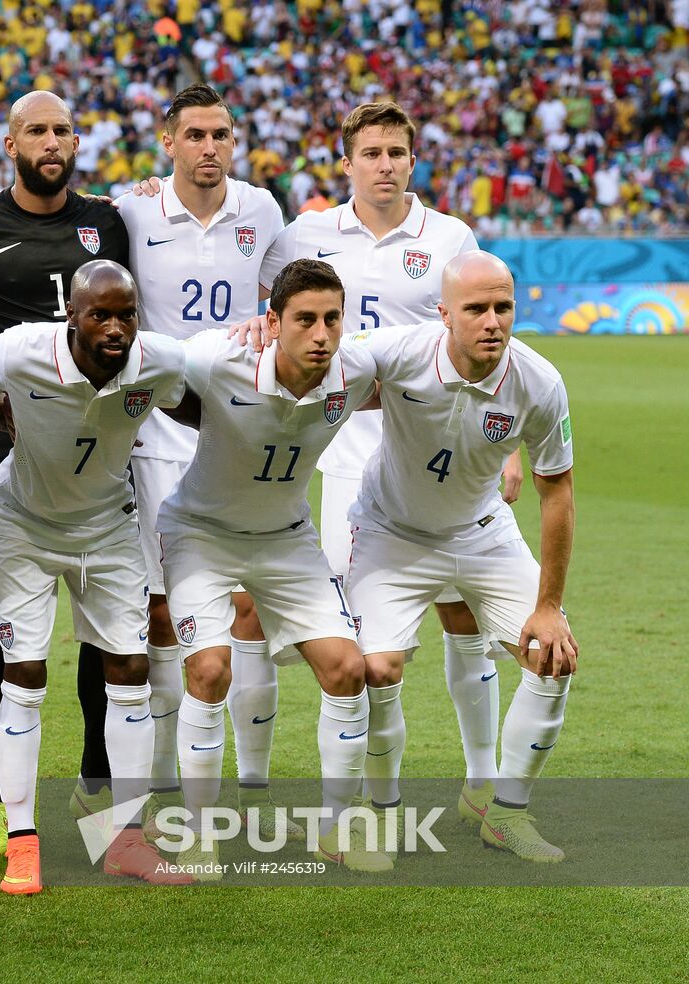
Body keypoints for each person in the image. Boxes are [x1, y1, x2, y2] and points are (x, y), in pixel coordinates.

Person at [255, 102, 520, 819]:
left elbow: (490, 348)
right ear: (346, 163)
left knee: (466, 625)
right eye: (370, 152)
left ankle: (483, 784)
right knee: (371, 653)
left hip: (448, 457)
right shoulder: (307, 234)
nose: (384, 164)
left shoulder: (449, 237)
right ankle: (376, 801)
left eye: (397, 152)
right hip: (345, 461)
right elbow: (263, 303)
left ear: (413, 159)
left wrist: (507, 447)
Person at [0, 90, 131, 854]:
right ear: (9, 142)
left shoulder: (108, 221)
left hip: (101, 442)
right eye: (36, 131)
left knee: (100, 612)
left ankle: (95, 781)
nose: (51, 142)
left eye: (62, 130)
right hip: (8, 443)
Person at [342, 251, 577, 862]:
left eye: (503, 307)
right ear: (444, 313)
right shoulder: (400, 351)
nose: (492, 321)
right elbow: (330, 352)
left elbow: (558, 493)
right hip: (391, 531)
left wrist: (549, 606)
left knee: (550, 656)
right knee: (376, 670)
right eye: (476, 308)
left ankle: (507, 812)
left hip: (482, 532)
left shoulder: (540, 383)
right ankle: (382, 810)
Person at [158, 259, 390, 874]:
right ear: (272, 322)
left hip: (287, 540)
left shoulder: (356, 368)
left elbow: (425, 357)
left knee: (347, 669)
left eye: (332, 319)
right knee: (208, 671)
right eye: (305, 320)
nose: (321, 334)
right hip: (200, 535)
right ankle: (199, 834)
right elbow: (145, 363)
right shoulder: (216, 358)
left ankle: (338, 830)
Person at [0, 260, 193, 894]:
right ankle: (22, 842)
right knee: (25, 672)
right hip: (23, 524)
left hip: (108, 525)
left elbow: (202, 399)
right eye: (101, 314)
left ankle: (125, 840)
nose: (116, 327)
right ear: (72, 315)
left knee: (130, 671)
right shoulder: (22, 350)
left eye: (127, 313)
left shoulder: (159, 361)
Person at [112, 82, 287, 836]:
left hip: (237, 422)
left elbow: (283, 298)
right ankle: (155, 765)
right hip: (157, 425)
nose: (209, 148)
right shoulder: (133, 208)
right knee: (160, 603)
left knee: (243, 598)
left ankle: (251, 776)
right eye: (196, 136)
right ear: (169, 141)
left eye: (220, 135)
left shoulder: (263, 210)